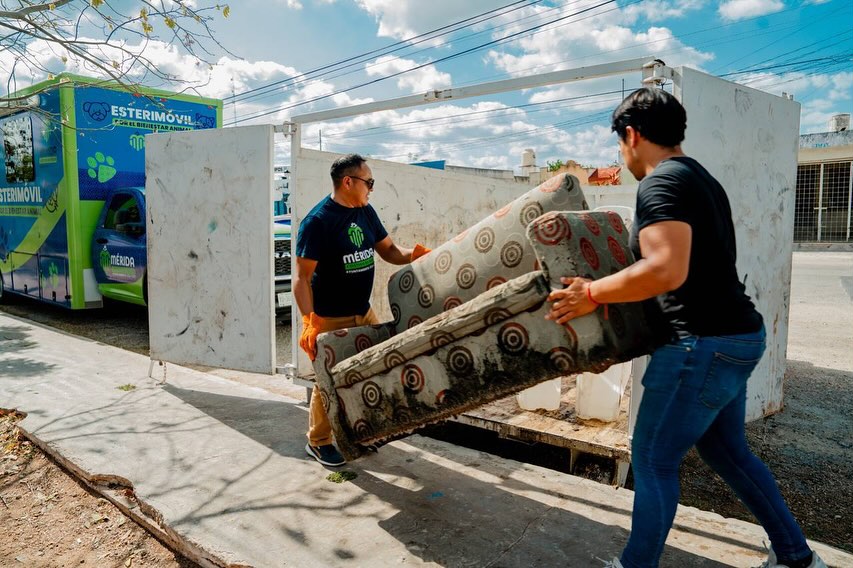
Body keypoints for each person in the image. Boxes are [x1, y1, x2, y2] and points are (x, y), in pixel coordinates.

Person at [545, 88, 825, 568]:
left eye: (619, 144)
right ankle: (796, 557)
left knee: (653, 459)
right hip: (736, 338)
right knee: (727, 453)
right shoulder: (700, 179)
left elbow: (665, 269)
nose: (620, 154)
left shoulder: (659, 185)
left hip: (699, 346)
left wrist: (589, 293)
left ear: (631, 135)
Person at [294, 153, 430, 467]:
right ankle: (318, 441)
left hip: (362, 312)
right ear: (348, 182)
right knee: (326, 381)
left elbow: (391, 252)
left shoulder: (365, 213)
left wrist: (418, 254)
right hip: (328, 317)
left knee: (371, 371)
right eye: (369, 182)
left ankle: (358, 432)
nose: (371, 189)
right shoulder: (318, 222)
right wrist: (308, 321)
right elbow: (302, 277)